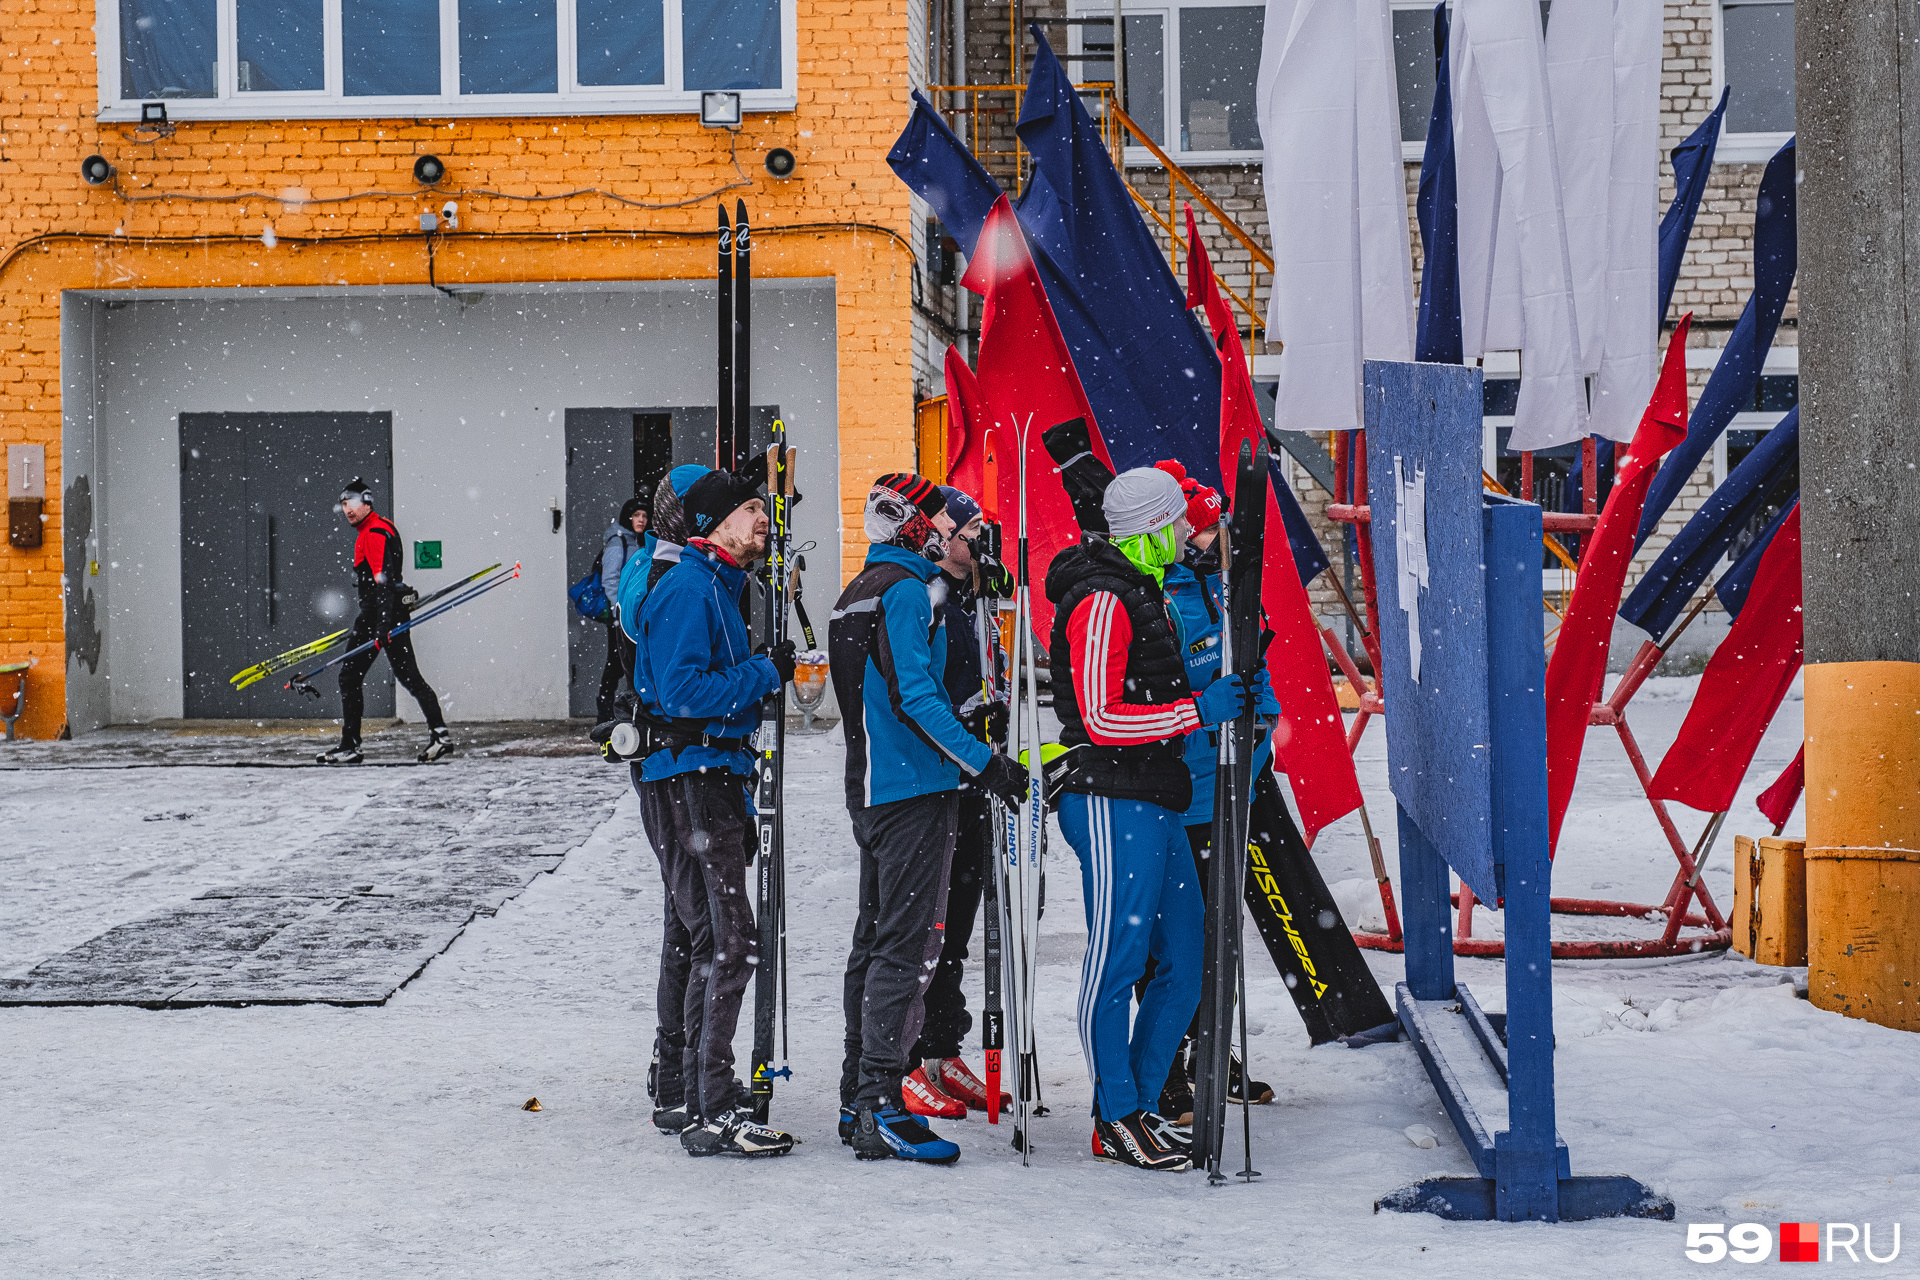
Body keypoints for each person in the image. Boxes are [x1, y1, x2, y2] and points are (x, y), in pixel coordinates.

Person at [1043, 465, 1253, 1172]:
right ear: (1151, 527)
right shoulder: (1103, 599)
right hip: (1109, 796)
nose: (1188, 534)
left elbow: (1150, 692)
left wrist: (1218, 686)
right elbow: (1101, 716)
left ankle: (1138, 1100)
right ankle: (1116, 1113)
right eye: (1177, 524)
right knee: (1117, 960)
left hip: (1154, 793)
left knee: (1187, 961)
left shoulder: (1148, 592)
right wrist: (1199, 710)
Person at [827, 473, 1027, 1164]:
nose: (945, 532)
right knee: (907, 949)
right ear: (912, 523)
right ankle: (880, 1098)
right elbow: (916, 696)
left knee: (876, 941)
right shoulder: (906, 592)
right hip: (913, 790)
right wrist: (985, 763)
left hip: (876, 788)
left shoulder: (859, 590)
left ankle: (859, 1095)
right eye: (938, 521)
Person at [632, 463, 797, 1159]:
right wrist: (765, 672)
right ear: (711, 524)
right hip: (690, 778)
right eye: (751, 509)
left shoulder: (716, 586)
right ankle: (712, 1107)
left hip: (707, 775)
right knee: (729, 942)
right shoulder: (689, 590)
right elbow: (683, 692)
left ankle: (698, 1101)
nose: (763, 519)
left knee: (713, 942)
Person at [1140, 461, 1278, 1123]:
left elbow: (1257, 679)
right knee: (1175, 946)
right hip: (1180, 795)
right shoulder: (1160, 596)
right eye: (1209, 523)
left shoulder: (1224, 589)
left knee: (1220, 935)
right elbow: (1167, 699)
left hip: (1229, 790)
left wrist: (1257, 744)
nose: (1223, 532)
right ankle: (1166, 1067)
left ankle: (1211, 1053)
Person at [902, 485, 1014, 1120]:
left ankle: (944, 1044)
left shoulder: (976, 597)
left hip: (976, 774)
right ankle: (910, 1052)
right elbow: (923, 694)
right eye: (973, 533)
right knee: (928, 925)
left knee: (962, 921)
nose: (981, 544)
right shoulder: (925, 596)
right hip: (940, 776)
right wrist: (966, 717)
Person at [318, 479, 452, 765]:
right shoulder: (382, 527)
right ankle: (440, 735)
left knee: (349, 676)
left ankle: (350, 746)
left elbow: (384, 583)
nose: (347, 510)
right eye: (343, 505)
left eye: (352, 503)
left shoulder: (374, 534)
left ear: (367, 502)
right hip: (388, 614)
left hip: (378, 617)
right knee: (409, 677)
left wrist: (380, 628)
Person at [597, 495, 649, 723]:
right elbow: (610, 579)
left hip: (631, 612)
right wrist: (617, 610)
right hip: (621, 613)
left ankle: (618, 707)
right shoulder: (619, 542)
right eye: (637, 515)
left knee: (625, 659)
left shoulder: (637, 541)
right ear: (627, 517)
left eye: (645, 516)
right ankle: (606, 706)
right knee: (617, 661)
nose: (642, 520)